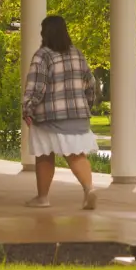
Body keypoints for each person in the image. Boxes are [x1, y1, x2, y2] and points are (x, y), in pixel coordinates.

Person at [22, 13, 100, 210]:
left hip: (49, 116)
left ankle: (43, 198)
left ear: (45, 33)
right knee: (76, 154)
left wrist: (27, 108)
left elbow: (37, 87)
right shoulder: (77, 54)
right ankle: (88, 188)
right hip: (77, 114)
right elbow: (90, 83)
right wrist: (86, 106)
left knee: (44, 154)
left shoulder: (43, 55)